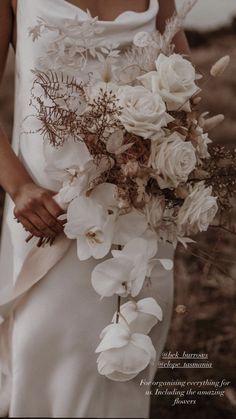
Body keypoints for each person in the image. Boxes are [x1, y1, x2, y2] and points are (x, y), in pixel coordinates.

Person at [0, 1, 191, 417]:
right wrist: (19, 186)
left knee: (121, 367)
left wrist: (174, 157)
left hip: (141, 219)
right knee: (45, 359)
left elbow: (183, 84)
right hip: (49, 217)